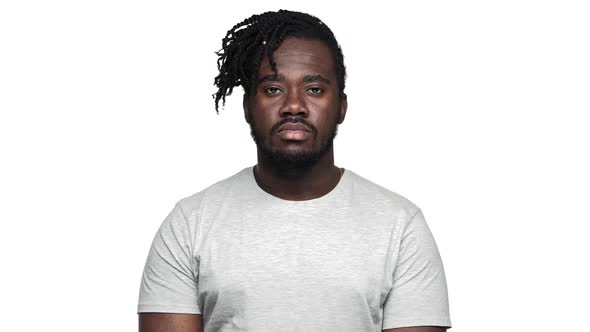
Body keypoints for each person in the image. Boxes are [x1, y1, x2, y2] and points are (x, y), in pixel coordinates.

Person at [137, 9, 452, 332]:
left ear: (341, 107)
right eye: (273, 89)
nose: (294, 105)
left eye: (314, 89)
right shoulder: (190, 223)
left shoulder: (400, 226)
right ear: (247, 106)